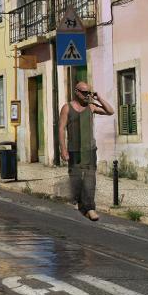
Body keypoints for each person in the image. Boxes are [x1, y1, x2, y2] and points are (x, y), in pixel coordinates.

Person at [59, 81, 114, 221]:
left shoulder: (91, 106)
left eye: (89, 92)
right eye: (85, 93)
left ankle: (90, 208)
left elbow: (110, 111)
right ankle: (80, 203)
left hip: (89, 150)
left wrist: (98, 97)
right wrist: (63, 149)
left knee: (90, 179)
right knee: (76, 179)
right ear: (76, 92)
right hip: (73, 151)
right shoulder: (67, 108)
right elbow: (61, 129)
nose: (87, 95)